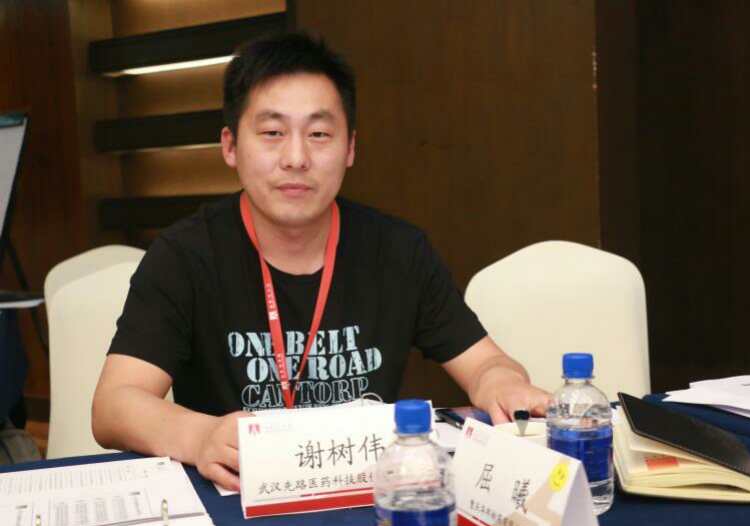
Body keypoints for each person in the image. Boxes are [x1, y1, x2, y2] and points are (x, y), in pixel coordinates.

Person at [92, 32, 549, 491]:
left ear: (349, 148)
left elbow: (485, 364)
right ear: (230, 146)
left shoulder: (397, 251)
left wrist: (501, 383)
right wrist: (200, 436)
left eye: (319, 134)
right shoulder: (185, 256)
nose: (296, 158)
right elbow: (114, 405)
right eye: (272, 133)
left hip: (364, 495)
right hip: (237, 495)